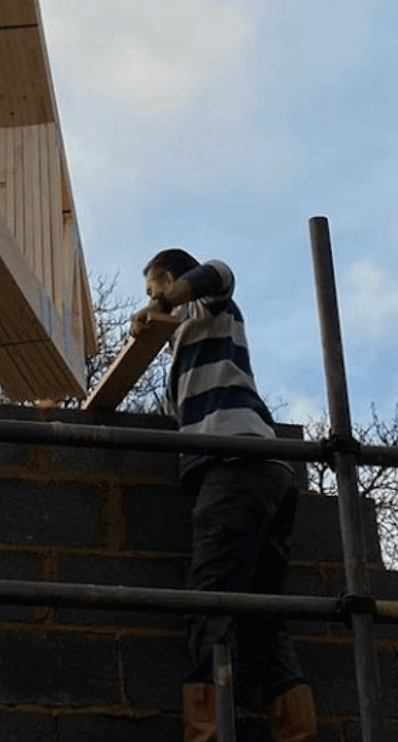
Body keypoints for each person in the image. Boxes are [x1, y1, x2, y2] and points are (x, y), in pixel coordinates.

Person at [135, 248, 317, 742]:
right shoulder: (182, 355)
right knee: (262, 616)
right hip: (262, 473)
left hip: (235, 462)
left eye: (153, 289)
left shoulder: (207, 310)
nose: (152, 302)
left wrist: (163, 304)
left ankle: (207, 733)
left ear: (170, 280)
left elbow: (219, 272)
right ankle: (294, 726)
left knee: (210, 602)